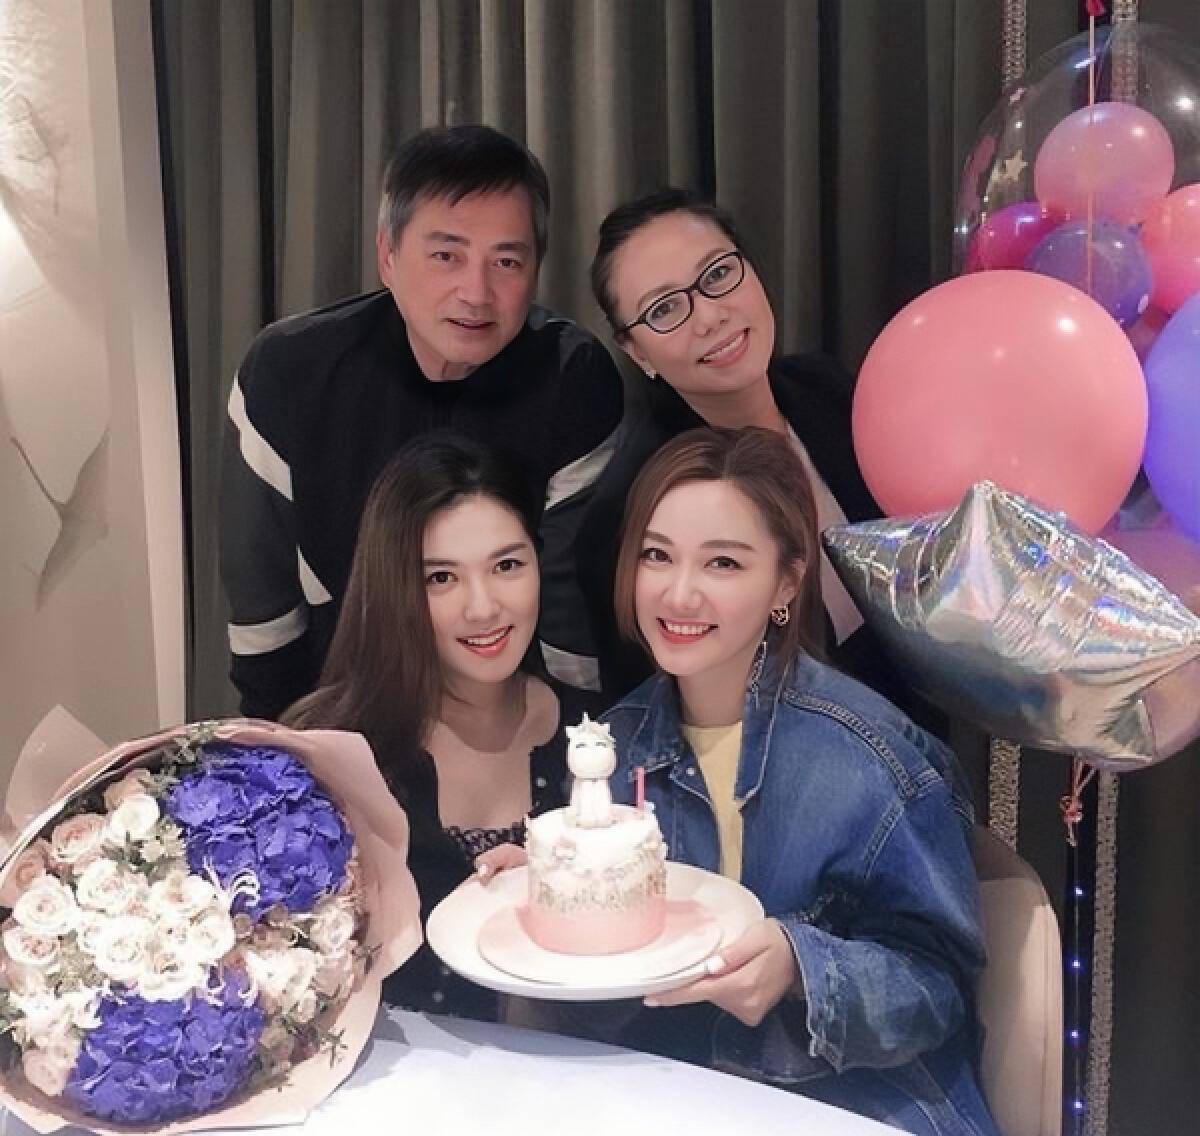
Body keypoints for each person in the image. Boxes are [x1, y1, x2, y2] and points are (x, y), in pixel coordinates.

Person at [594, 427, 997, 1136]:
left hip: (853, 1101)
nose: (679, 593)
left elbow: (937, 991)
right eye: (657, 555)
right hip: (673, 1098)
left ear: (785, 582)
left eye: (722, 562)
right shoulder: (613, 749)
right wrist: (537, 889)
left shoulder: (869, 754)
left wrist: (800, 969)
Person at [222, 124, 623, 720]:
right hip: (344, 707)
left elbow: (570, 608)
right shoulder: (289, 372)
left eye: (506, 261)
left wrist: (576, 746)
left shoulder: (572, 377)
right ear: (388, 255)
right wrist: (286, 750)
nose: (476, 292)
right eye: (446, 256)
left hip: (514, 716)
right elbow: (263, 607)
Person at [581, 188, 931, 729]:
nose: (709, 316)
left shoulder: (827, 392)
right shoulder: (634, 508)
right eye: (665, 308)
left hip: (918, 730)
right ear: (637, 352)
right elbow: (655, 718)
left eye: (718, 274)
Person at [285, 433, 594, 1021]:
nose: (483, 607)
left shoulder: (598, 736)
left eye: (507, 565)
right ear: (394, 587)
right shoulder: (328, 752)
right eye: (440, 579)